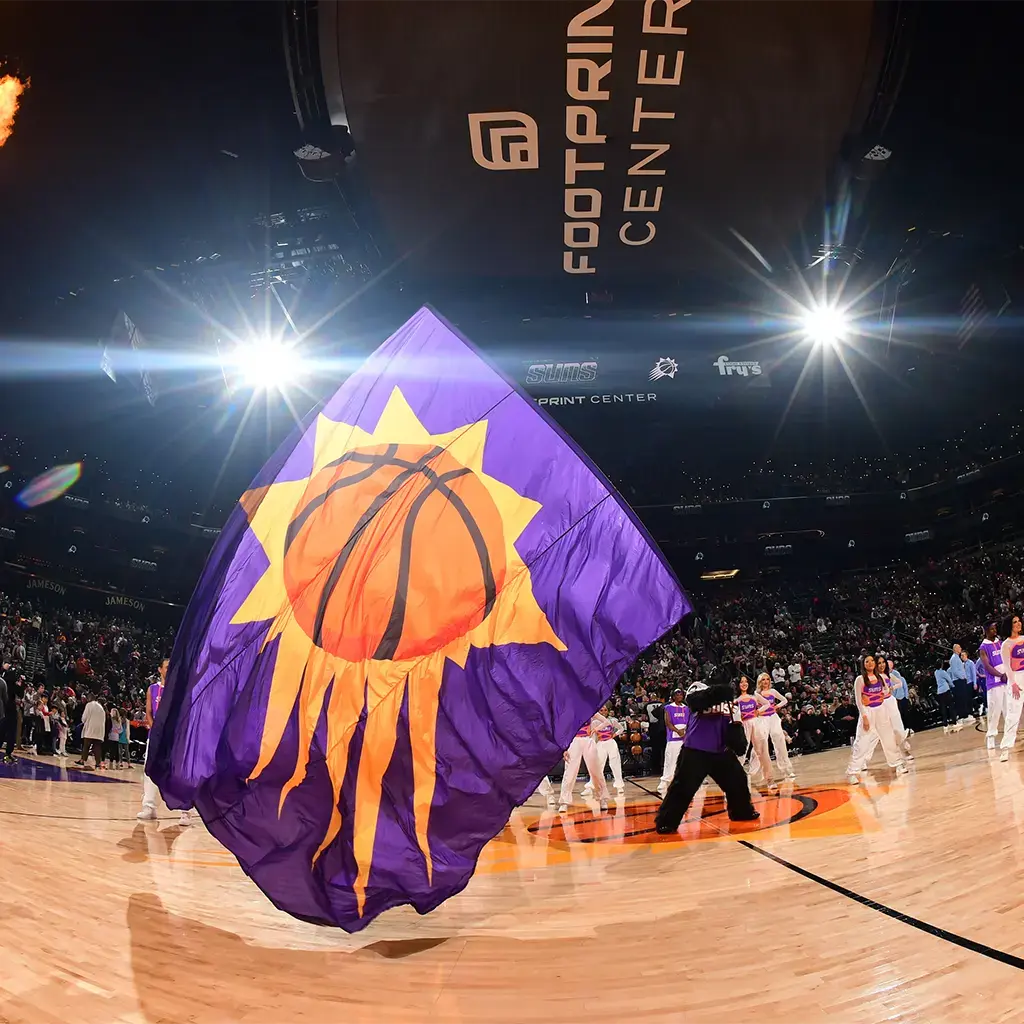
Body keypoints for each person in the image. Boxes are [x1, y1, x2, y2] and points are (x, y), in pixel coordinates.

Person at [655, 679, 758, 834]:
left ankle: (741, 811)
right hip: (695, 751)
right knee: (682, 788)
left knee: (738, 781)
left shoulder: (730, 705)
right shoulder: (698, 691)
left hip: (720, 751)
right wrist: (722, 691)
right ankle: (667, 821)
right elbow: (694, 700)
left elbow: (734, 725)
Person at [139, 660, 191, 824]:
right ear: (160, 669)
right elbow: (148, 712)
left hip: (175, 737)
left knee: (179, 773)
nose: (169, 670)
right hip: (155, 737)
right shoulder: (152, 689)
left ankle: (185, 810)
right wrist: (156, 731)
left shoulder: (179, 690)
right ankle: (149, 807)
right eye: (167, 667)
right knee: (150, 770)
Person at [846, 654, 908, 783]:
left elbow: (887, 690)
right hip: (868, 712)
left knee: (888, 738)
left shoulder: (880, 676)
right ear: (863, 664)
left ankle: (897, 764)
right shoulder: (860, 679)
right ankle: (853, 771)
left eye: (872, 661)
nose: (870, 663)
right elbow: (858, 701)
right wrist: (864, 716)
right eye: (867, 661)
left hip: (881, 710)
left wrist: (882, 695)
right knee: (862, 742)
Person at [558, 720, 608, 813]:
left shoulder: (590, 710)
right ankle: (564, 802)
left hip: (588, 740)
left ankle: (602, 799)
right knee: (570, 773)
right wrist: (564, 748)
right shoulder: (569, 711)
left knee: (596, 771)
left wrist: (596, 729)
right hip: (573, 741)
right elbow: (563, 730)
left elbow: (606, 721)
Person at [755, 672, 795, 782]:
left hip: (773, 717)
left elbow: (785, 700)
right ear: (760, 681)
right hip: (762, 720)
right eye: (763, 679)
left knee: (780, 741)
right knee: (762, 745)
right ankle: (765, 772)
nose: (766, 681)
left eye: (767, 679)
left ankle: (787, 769)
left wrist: (776, 706)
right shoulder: (756, 693)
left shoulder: (773, 691)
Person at [735, 675, 772, 789]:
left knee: (762, 751)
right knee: (741, 752)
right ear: (738, 684)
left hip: (756, 723)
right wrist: (738, 717)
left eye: (746, 681)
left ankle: (769, 779)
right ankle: (735, 781)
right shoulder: (735, 700)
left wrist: (758, 711)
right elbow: (732, 714)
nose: (744, 684)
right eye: (741, 682)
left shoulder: (754, 696)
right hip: (744, 725)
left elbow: (767, 704)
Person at [582, 703, 625, 797]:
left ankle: (619, 786)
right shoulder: (595, 723)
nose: (604, 712)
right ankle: (591, 786)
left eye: (605, 710)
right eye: (601, 710)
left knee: (615, 763)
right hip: (600, 744)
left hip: (611, 742)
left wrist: (614, 735)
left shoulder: (612, 721)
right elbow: (592, 735)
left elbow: (621, 729)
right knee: (598, 766)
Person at [998, 616, 1024, 764]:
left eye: (1019, 620)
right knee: (1013, 714)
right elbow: (1007, 666)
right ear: (1009, 625)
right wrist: (1013, 683)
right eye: (1015, 622)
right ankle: (1006, 748)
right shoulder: (1006, 645)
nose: (1018, 623)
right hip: (1016, 679)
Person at [979, 622, 1006, 749]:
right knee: (995, 712)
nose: (994, 631)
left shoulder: (999, 642)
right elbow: (987, 666)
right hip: (994, 683)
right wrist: (1000, 675)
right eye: (991, 629)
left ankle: (1008, 736)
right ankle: (990, 737)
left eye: (995, 628)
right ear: (986, 631)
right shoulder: (983, 647)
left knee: (1008, 710)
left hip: (1005, 680)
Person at [658, 688, 689, 797]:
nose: (679, 696)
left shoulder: (686, 708)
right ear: (673, 696)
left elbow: (689, 722)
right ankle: (664, 782)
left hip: (684, 738)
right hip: (673, 739)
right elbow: (668, 722)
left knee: (684, 761)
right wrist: (677, 731)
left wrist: (685, 731)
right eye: (677, 694)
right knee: (670, 761)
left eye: (681, 694)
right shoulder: (668, 708)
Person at [881, 657, 913, 761]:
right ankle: (863, 760)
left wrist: (892, 688)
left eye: (883, 663)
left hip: (891, 701)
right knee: (882, 732)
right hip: (880, 705)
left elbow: (900, 683)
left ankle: (905, 751)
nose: (882, 665)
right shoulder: (874, 678)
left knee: (898, 727)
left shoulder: (890, 675)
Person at [78, 694, 106, 769]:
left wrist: (83, 721)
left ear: (90, 698)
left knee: (86, 745)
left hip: (91, 728)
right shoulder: (101, 707)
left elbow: (84, 717)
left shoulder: (89, 705)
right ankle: (98, 763)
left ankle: (83, 760)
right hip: (100, 730)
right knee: (97, 747)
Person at [948, 645, 973, 726]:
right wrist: (962, 677)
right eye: (959, 647)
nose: (961, 649)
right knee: (961, 698)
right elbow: (955, 671)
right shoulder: (954, 658)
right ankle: (962, 716)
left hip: (960, 680)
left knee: (964, 697)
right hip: (958, 681)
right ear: (955, 649)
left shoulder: (956, 657)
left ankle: (965, 715)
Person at [934, 661, 957, 733]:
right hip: (946, 690)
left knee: (943, 707)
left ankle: (945, 724)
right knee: (951, 706)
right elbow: (949, 680)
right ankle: (954, 722)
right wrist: (953, 686)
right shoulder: (943, 672)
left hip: (939, 692)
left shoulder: (936, 672)